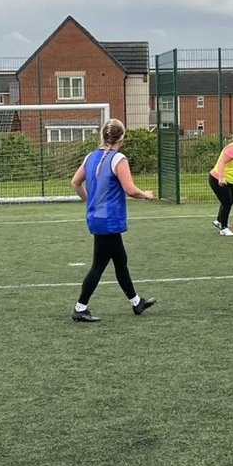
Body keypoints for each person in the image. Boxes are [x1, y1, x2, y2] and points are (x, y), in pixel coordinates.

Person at [70, 118, 156, 323]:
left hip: (98, 218)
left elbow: (75, 182)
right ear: (122, 138)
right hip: (108, 220)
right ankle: (80, 308)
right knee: (98, 265)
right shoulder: (119, 159)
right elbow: (130, 189)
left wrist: (89, 201)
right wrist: (146, 195)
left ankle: (136, 302)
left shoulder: (91, 156)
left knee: (120, 261)